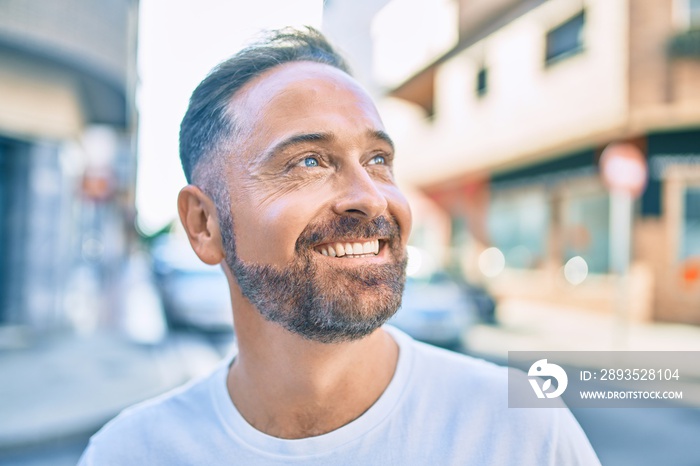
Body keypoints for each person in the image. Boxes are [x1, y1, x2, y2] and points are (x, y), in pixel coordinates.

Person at [78, 27, 600, 465]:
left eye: (377, 160)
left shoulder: (521, 430)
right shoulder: (130, 453)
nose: (370, 199)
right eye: (309, 161)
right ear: (203, 224)